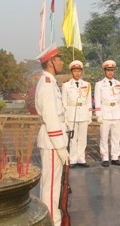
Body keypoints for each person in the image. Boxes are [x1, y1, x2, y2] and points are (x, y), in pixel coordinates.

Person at [34, 44, 69, 226]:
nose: (61, 62)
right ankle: (51, 222)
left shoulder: (50, 82)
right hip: (52, 141)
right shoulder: (47, 85)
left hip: (53, 140)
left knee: (53, 184)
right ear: (50, 63)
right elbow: (51, 118)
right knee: (51, 187)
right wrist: (60, 146)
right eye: (58, 59)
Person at [94, 60, 120, 167]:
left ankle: (115, 157)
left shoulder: (119, 84)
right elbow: (97, 100)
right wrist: (98, 114)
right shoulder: (99, 84)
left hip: (116, 112)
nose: (110, 73)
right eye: (108, 70)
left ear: (114, 71)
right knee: (104, 136)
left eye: (112, 70)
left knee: (116, 137)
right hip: (105, 112)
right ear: (104, 71)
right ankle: (105, 157)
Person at [62, 60, 92, 168]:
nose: (77, 73)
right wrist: (65, 117)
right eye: (75, 71)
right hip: (71, 114)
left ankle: (81, 159)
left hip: (83, 113)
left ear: (81, 72)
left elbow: (88, 101)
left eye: (79, 71)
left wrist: (89, 115)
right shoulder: (66, 85)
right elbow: (64, 103)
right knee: (72, 138)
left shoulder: (87, 85)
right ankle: (73, 159)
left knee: (83, 138)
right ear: (71, 72)